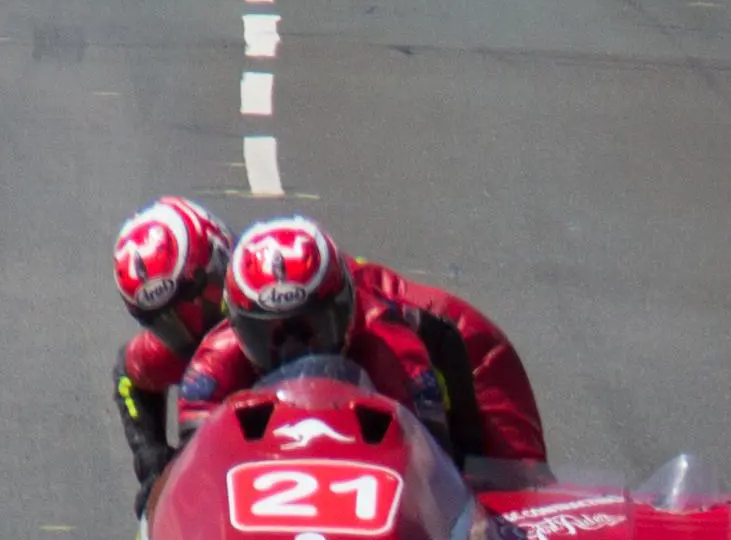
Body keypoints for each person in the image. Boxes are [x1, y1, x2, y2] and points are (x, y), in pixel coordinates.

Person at [170, 217, 550, 468]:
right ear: (237, 326)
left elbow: (434, 473)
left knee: (509, 508)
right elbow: (190, 483)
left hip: (474, 356)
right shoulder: (214, 360)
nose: (293, 352)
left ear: (346, 308)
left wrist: (474, 469)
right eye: (269, 334)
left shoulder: (390, 345)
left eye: (311, 327)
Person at [109, 196, 232, 489]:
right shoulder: (171, 349)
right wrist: (152, 463)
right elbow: (128, 377)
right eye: (165, 322)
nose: (189, 327)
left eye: (193, 303)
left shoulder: (274, 291)